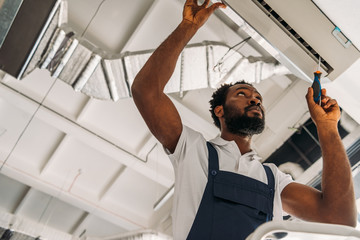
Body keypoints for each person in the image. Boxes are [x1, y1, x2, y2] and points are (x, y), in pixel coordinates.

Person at [131, 0, 357, 239]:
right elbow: (146, 91)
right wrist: (188, 26)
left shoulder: (274, 180)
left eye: (258, 97)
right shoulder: (193, 150)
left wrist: (327, 126)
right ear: (220, 111)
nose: (255, 100)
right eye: (242, 94)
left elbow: (340, 218)